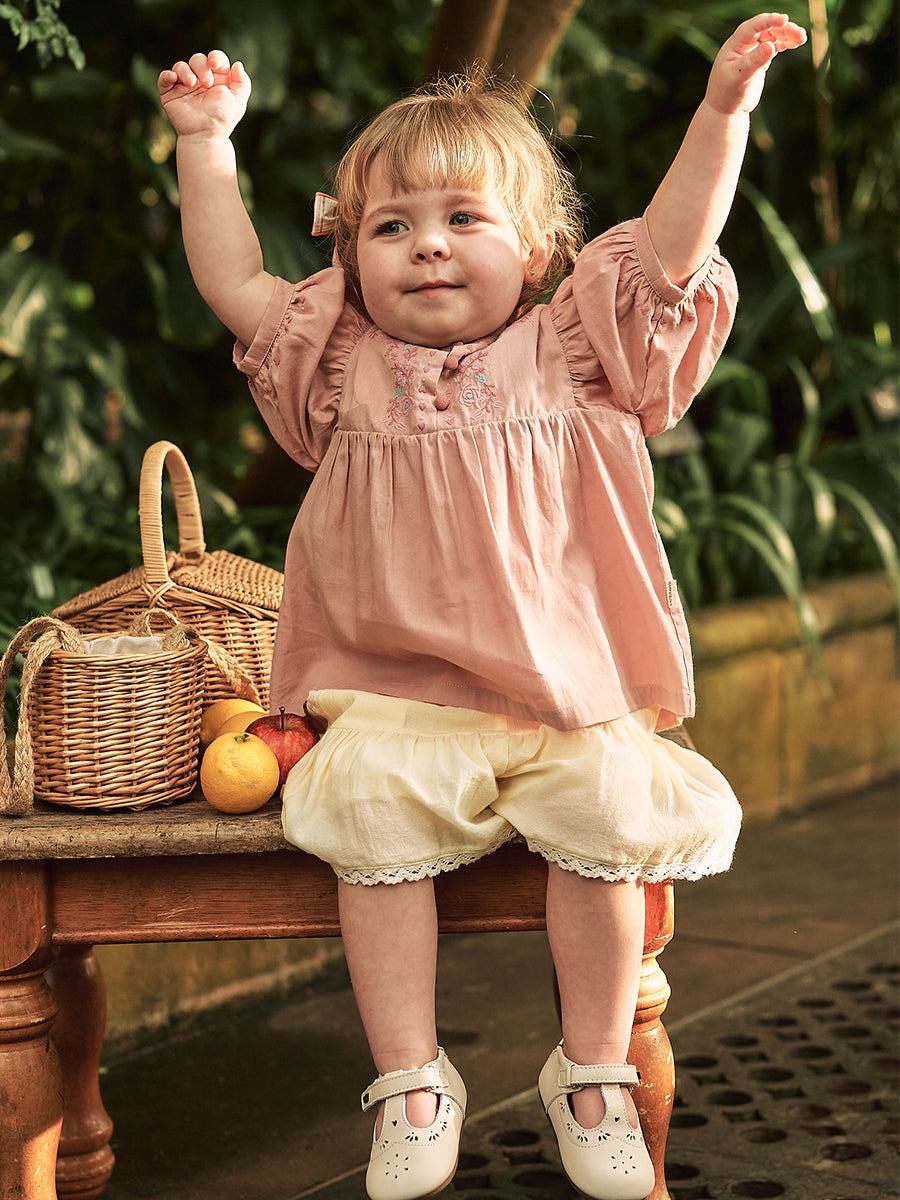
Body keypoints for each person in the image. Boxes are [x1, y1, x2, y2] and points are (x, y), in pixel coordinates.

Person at [158, 13, 806, 1200]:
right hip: (396, 695)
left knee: (609, 817)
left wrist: (723, 113)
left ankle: (593, 1073)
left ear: (541, 249)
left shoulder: (576, 349)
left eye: (465, 219)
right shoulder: (342, 364)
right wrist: (207, 146)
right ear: (353, 257)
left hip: (567, 693)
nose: (428, 247)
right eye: (392, 227)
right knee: (369, 820)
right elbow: (236, 282)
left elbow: (670, 251)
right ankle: (412, 1082)